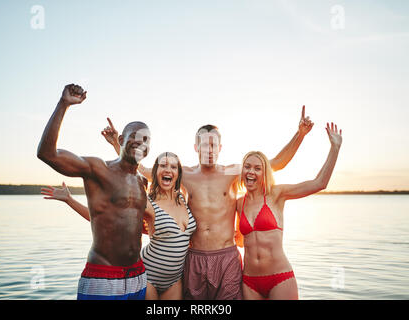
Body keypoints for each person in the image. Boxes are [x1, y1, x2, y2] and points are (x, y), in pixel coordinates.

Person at [102, 106, 314, 300]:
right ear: (196, 147)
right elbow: (147, 171)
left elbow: (275, 163)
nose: (209, 149)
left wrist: (300, 135)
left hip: (227, 257)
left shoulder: (232, 172)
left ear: (220, 147)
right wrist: (116, 144)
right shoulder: (185, 174)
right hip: (194, 258)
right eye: (204, 144)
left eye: (213, 144)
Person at [37, 84, 151, 300]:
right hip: (103, 278)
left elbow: (117, 220)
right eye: (134, 136)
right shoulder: (98, 168)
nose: (140, 142)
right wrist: (64, 105)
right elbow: (47, 154)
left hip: (138, 276)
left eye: (146, 139)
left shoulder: (141, 181)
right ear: (121, 140)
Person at [41, 152, 197, 300]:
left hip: (175, 280)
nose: (168, 169)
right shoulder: (147, 202)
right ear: (156, 171)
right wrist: (70, 200)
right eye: (163, 165)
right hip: (149, 276)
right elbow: (104, 218)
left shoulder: (183, 197)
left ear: (178, 173)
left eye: (173, 167)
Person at [237, 122, 342, 300]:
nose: (251, 172)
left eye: (257, 168)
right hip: (249, 281)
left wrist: (335, 148)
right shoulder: (239, 203)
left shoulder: (276, 194)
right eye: (247, 167)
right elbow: (240, 240)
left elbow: (319, 183)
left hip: (279, 279)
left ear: (265, 174)